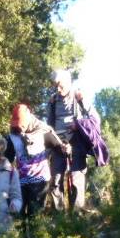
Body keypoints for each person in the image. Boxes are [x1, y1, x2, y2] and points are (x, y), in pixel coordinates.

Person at [4, 102, 68, 220]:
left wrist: (66, 149)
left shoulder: (43, 131)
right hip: (21, 181)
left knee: (35, 216)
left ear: (29, 120)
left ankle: (36, 237)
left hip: (40, 180)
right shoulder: (12, 137)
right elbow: (7, 158)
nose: (19, 127)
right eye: (17, 124)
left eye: (22, 124)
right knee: (18, 215)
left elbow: (59, 148)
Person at [46, 69, 98, 211]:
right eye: (55, 85)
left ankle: (77, 221)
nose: (58, 89)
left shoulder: (79, 97)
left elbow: (95, 119)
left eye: (60, 85)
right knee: (55, 181)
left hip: (77, 144)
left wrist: (78, 125)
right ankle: (59, 220)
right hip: (58, 145)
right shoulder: (52, 101)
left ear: (68, 82)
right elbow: (49, 126)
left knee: (76, 180)